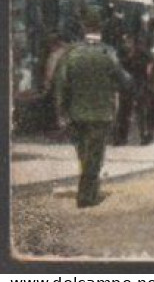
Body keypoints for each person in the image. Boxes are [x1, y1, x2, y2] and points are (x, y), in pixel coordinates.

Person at [54, 11, 132, 208]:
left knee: (84, 153)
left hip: (76, 113)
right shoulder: (109, 54)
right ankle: (86, 195)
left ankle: (88, 190)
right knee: (95, 155)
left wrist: (61, 113)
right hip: (101, 113)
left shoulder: (71, 54)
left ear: (83, 28)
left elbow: (60, 85)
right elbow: (125, 81)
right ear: (101, 29)